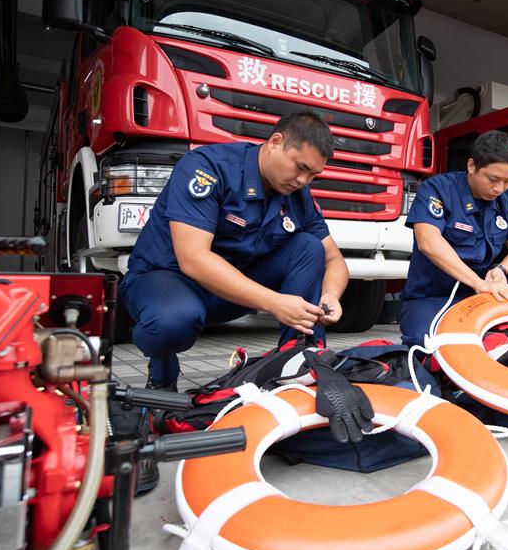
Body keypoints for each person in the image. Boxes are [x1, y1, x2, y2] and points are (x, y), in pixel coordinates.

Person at [120, 111, 350, 391]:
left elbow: (333, 258)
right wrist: (275, 302)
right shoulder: (208, 168)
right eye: (300, 167)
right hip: (167, 280)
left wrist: (331, 295)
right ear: (276, 142)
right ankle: (162, 368)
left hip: (231, 290)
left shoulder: (297, 196)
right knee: (171, 322)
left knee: (307, 247)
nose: (303, 181)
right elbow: (193, 259)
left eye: (313, 175)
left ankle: (298, 365)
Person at [399, 130, 508, 351]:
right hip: (434, 297)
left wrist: (501, 269)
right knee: (430, 346)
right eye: (493, 179)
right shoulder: (438, 189)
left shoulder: (504, 198)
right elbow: (428, 241)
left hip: (487, 293)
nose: (499, 188)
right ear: (472, 166)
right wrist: (478, 283)